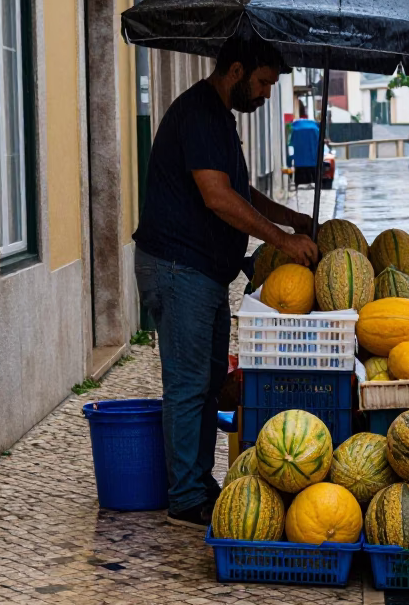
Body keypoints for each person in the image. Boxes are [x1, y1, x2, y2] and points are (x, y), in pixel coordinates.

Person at [133, 35, 319, 529]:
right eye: (261, 83)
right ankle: (187, 494)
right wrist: (281, 240)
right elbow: (218, 197)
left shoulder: (219, 119)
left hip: (202, 273)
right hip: (178, 269)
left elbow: (242, 191)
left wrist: (292, 218)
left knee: (210, 384)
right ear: (235, 71)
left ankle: (199, 483)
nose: (264, 94)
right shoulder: (198, 113)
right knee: (190, 385)